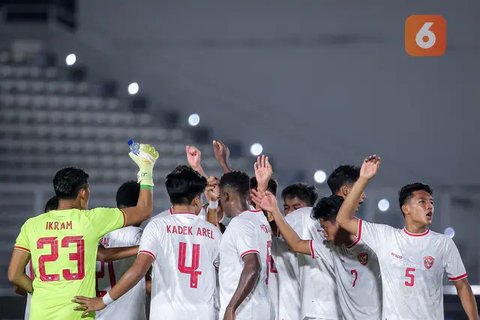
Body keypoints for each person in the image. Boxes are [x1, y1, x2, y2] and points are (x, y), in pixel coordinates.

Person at [8, 143, 158, 320]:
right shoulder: (90, 220)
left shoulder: (31, 225)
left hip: (40, 314)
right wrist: (146, 169)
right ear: (83, 193)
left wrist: (39, 291)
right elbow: (144, 210)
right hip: (77, 314)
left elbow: (14, 275)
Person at [336, 155, 479, 320]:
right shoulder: (385, 237)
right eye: (422, 202)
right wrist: (363, 179)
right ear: (406, 209)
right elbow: (343, 219)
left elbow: (462, 286)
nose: (429, 206)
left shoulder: (443, 244)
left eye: (432, 202)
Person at [74, 165, 222, 320]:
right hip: (204, 315)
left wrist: (103, 302)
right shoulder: (213, 233)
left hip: (166, 315)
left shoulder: (157, 226)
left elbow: (138, 270)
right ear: (196, 200)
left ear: (171, 198)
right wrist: (212, 204)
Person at [252, 192, 382, 320]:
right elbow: (296, 244)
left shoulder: (372, 245)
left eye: (325, 228)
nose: (323, 233)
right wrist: (274, 210)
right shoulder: (330, 247)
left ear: (339, 223)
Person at [218, 170, 273, 320]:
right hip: (261, 308)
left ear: (226, 196)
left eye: (220, 198)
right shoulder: (260, 219)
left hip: (244, 312)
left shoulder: (240, 223)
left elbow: (253, 266)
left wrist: (231, 307)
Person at [282, 183, 341, 320]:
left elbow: (296, 245)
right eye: (286, 208)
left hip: (320, 311)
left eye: (296, 208)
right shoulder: (322, 244)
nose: (291, 213)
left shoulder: (304, 219)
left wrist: (272, 209)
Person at [95, 181, 146, 320]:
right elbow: (147, 282)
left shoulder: (97, 233)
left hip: (97, 313)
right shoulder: (137, 236)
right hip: (128, 315)